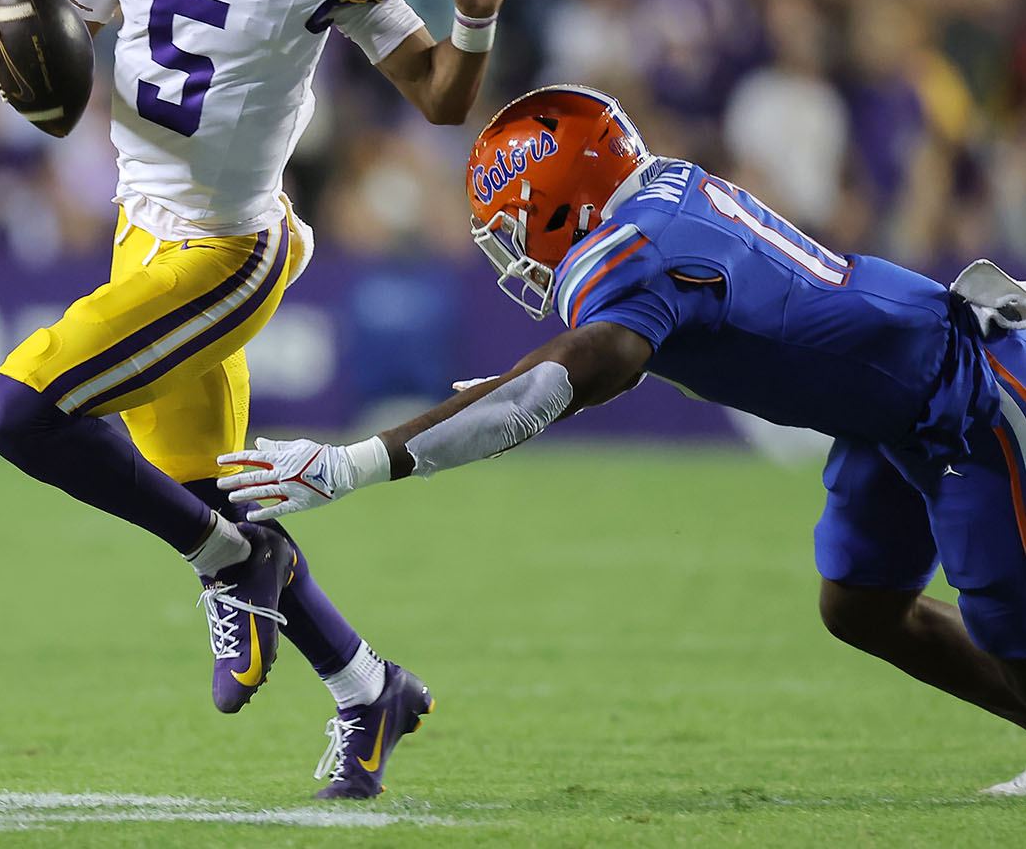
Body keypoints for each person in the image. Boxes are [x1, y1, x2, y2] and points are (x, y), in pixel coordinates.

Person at [0, 0, 516, 798]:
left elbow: (438, 100)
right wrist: (15, 38)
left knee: (21, 411)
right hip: (140, 234)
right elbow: (80, 5)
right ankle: (369, 690)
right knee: (204, 498)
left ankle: (236, 563)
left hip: (231, 250)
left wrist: (471, 19)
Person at [218, 83, 1026, 796]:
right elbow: (603, 358)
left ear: (561, 203)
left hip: (969, 395)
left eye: (515, 228)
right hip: (892, 405)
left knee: (1006, 619)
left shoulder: (633, 247)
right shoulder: (659, 198)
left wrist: (354, 461)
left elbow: (568, 378)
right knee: (862, 604)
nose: (517, 255)